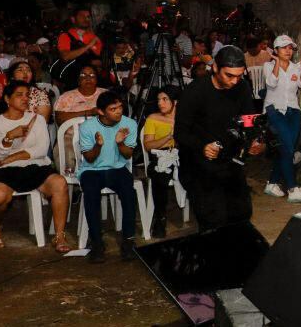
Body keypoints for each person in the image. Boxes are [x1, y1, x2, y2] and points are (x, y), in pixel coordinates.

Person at [0, 82, 71, 252]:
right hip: (1, 171)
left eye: (27, 95)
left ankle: (59, 235)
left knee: (59, 183)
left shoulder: (37, 120)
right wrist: (9, 137)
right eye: (19, 95)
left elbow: (41, 149)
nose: (25, 98)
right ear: (7, 99)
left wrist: (12, 157)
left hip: (32, 167)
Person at [175, 46, 266, 231]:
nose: (234, 81)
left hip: (230, 160)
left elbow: (249, 120)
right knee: (214, 219)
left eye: (239, 75)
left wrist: (256, 140)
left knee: (241, 213)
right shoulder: (195, 91)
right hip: (198, 164)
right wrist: (202, 147)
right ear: (215, 67)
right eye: (229, 75)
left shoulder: (242, 87)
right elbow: (180, 133)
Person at [77, 90, 140, 263]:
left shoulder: (129, 124)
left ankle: (128, 240)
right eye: (113, 109)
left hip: (117, 167)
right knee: (90, 193)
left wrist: (120, 142)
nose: (119, 111)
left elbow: (127, 156)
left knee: (128, 192)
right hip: (92, 169)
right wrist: (98, 145)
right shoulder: (87, 127)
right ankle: (97, 242)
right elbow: (89, 158)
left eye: (120, 107)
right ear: (101, 112)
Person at [261, 35, 301, 203]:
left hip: (293, 111)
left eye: (290, 48)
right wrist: (277, 63)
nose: (288, 50)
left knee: (287, 148)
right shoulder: (267, 66)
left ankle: (272, 183)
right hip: (274, 110)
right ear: (276, 50)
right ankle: (293, 189)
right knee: (287, 148)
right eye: (284, 47)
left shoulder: (296, 67)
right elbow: (271, 83)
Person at [142, 87, 179, 238]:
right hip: (159, 156)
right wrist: (167, 138)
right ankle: (160, 217)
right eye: (158, 100)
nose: (160, 103)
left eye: (165, 99)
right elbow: (148, 145)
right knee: (160, 174)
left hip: (179, 155)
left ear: (175, 102)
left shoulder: (183, 119)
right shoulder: (153, 118)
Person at [54, 8, 104, 90]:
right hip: (72, 84)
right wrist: (88, 46)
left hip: (91, 84)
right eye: (82, 16)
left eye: (88, 16)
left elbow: (98, 62)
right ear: (73, 19)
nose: (86, 19)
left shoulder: (94, 38)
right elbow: (65, 56)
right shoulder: (65, 36)